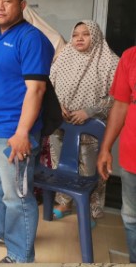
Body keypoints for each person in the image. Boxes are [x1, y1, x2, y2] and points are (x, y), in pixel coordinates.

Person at [0, 0, 54, 263]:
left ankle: (20, 255)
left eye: (7, 1)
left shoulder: (31, 39)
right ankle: (1, 231)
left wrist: (22, 132)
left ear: (21, 6)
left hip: (13, 132)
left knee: (18, 196)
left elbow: (36, 89)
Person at [48, 20, 118, 221]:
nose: (79, 38)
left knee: (89, 170)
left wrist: (88, 112)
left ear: (95, 36)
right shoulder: (63, 58)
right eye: (76, 34)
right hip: (60, 125)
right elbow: (49, 87)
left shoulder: (110, 62)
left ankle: (89, 209)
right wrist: (57, 105)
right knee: (61, 164)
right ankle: (64, 202)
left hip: (90, 128)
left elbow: (116, 97)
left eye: (85, 34)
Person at [97, 46, 136, 263]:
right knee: (131, 217)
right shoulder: (130, 57)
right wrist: (106, 148)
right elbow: (120, 105)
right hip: (132, 155)